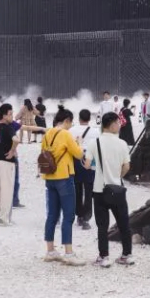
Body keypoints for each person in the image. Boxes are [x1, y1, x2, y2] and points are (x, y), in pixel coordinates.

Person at [40, 108, 85, 265]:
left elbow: (44, 153)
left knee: (52, 215)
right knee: (68, 215)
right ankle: (68, 253)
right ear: (66, 120)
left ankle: (50, 250)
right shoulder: (66, 134)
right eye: (70, 122)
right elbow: (78, 154)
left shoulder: (47, 133)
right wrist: (80, 143)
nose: (70, 125)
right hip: (64, 178)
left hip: (49, 177)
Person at [90, 112, 133, 267]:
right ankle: (127, 255)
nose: (120, 125)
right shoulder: (122, 143)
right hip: (117, 189)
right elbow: (127, 166)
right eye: (118, 122)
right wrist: (116, 177)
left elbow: (87, 164)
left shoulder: (95, 142)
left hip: (99, 190)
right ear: (112, 124)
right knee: (123, 224)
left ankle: (104, 257)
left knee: (102, 226)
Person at [70, 109, 97, 230]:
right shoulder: (96, 131)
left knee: (77, 188)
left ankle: (79, 215)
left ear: (79, 118)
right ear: (89, 118)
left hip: (76, 159)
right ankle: (86, 218)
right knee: (89, 189)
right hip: (90, 159)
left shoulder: (72, 130)